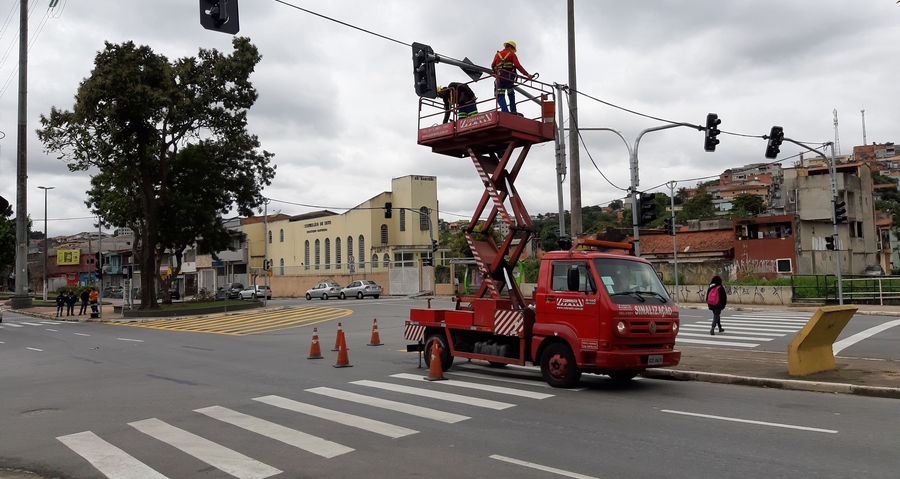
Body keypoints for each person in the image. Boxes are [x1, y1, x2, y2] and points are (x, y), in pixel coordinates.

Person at [491, 40, 532, 115]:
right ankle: (513, 111)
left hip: (500, 77)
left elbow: (493, 65)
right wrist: (527, 75)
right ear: (510, 47)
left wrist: (495, 74)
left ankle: (505, 111)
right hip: (509, 77)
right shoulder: (512, 54)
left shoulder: (497, 55)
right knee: (511, 93)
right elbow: (517, 65)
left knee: (500, 95)